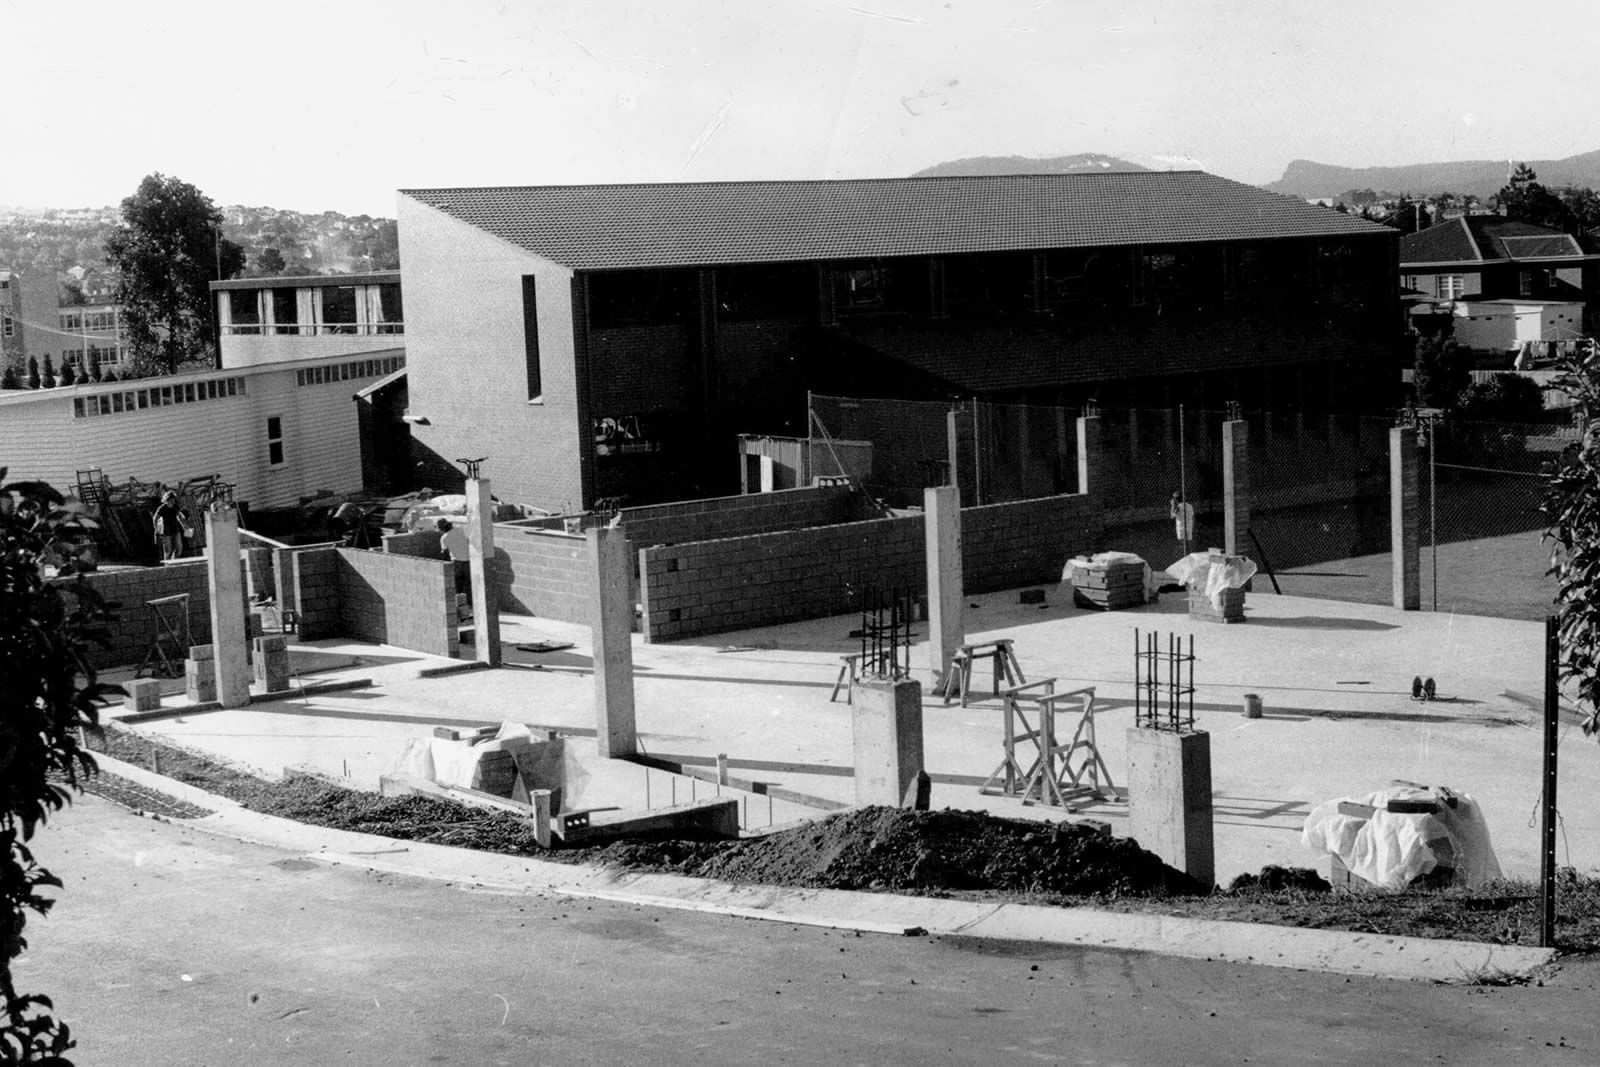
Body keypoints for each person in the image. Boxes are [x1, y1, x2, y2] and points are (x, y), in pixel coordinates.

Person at [153, 491, 190, 560]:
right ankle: (167, 567)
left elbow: (180, 517)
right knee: (168, 551)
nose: (172, 501)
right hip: (166, 532)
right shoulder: (162, 508)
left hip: (176, 530)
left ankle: (175, 563)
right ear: (167, 499)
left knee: (179, 549)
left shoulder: (175, 507)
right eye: (171, 499)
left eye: (173, 499)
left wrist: (185, 526)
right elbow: (155, 518)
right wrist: (156, 530)